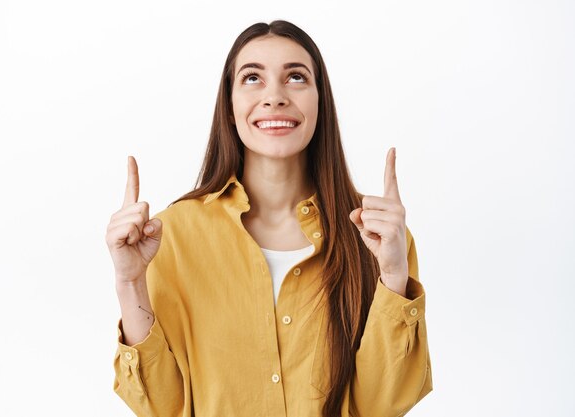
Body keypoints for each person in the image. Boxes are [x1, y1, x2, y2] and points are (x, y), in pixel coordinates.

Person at [105, 20, 432, 417]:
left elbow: (383, 406)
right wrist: (129, 281)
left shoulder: (378, 236)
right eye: (252, 78)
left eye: (295, 77)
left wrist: (394, 275)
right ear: (229, 105)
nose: (274, 96)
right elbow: (163, 408)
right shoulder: (169, 235)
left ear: (319, 102)